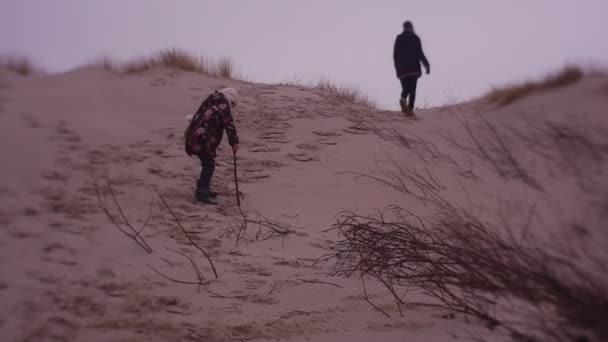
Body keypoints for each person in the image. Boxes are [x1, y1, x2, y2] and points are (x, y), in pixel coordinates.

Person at [184, 87, 239, 204]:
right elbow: (229, 124)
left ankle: (204, 188)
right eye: (233, 105)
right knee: (209, 164)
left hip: (195, 136)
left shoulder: (211, 99)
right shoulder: (224, 103)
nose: (231, 107)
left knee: (208, 163)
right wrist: (234, 142)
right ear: (231, 99)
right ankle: (202, 193)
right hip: (202, 139)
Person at [393, 20, 430, 116]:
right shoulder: (415, 38)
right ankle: (410, 108)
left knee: (405, 88)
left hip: (402, 69)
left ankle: (403, 99)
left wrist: (397, 69)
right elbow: (420, 53)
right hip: (414, 68)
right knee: (412, 89)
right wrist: (427, 65)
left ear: (404, 28)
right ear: (411, 27)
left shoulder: (399, 38)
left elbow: (395, 56)